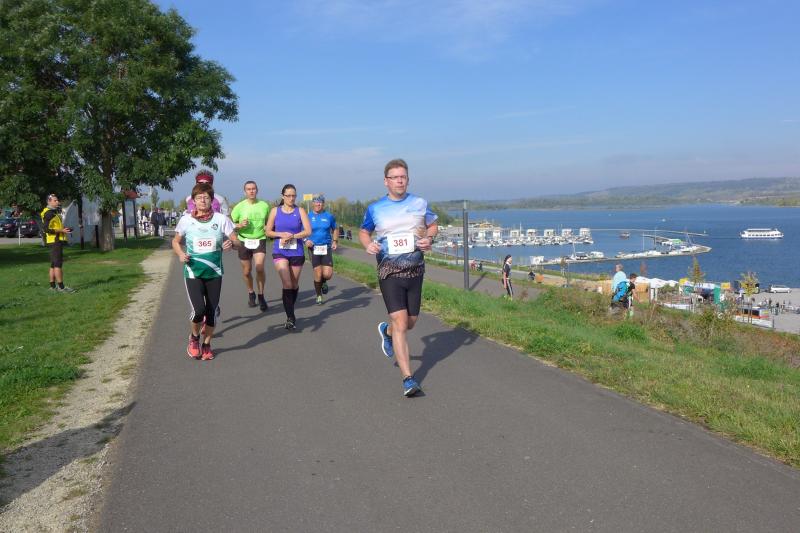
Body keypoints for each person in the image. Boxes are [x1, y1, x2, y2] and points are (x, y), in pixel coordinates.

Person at [360, 158, 438, 397]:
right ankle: (408, 379)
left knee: (410, 322)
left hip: (415, 270)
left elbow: (433, 225)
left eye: (403, 177)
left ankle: (387, 332)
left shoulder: (419, 203)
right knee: (401, 323)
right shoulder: (376, 208)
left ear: (408, 179)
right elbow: (364, 231)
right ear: (386, 181)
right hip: (389, 271)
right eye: (394, 177)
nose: (399, 181)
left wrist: (429, 238)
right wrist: (368, 244)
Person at [172, 182, 240, 360]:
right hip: (193, 272)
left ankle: (207, 344)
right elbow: (175, 241)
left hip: (214, 272)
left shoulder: (221, 219)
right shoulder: (186, 220)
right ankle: (194, 338)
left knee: (211, 312)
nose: (203, 200)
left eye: (206, 197)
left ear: (211, 200)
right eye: (199, 197)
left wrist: (232, 244)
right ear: (193, 201)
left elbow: (237, 241)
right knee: (198, 310)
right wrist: (180, 254)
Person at [265, 184, 311, 330]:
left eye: (294, 196)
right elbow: (268, 231)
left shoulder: (300, 211)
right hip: (280, 251)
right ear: (283, 196)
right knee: (287, 283)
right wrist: (281, 234)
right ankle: (290, 317)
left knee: (294, 284)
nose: (291, 198)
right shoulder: (275, 211)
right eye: (288, 195)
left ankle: (290, 306)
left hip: (297, 251)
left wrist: (293, 236)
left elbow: (308, 231)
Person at [230, 180, 271, 311]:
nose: (251, 191)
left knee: (259, 267)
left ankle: (261, 295)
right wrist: (239, 225)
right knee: (247, 271)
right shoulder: (239, 207)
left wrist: (267, 227)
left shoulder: (264, 205)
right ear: (245, 192)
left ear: (257, 190)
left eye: (253, 188)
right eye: (248, 189)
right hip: (244, 240)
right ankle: (251, 292)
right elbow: (229, 224)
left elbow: (269, 222)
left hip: (260, 239)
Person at [305, 195, 339, 305]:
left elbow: (335, 229)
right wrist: (305, 240)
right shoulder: (307, 216)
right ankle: (319, 295)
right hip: (313, 248)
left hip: (326, 247)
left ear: (323, 204)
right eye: (316, 202)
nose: (318, 204)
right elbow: (302, 231)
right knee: (318, 273)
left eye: (320, 202)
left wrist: (335, 241)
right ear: (313, 203)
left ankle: (324, 281)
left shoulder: (329, 216)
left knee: (328, 274)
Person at [41, 194, 75, 292]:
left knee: (53, 264)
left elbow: (54, 226)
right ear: (49, 201)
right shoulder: (49, 213)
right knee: (57, 264)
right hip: (55, 241)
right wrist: (61, 230)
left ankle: (52, 287)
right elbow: (46, 229)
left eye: (57, 200)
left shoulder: (52, 212)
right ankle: (62, 287)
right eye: (55, 200)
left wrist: (64, 229)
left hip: (54, 240)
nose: (57, 202)